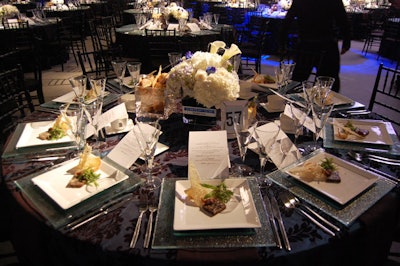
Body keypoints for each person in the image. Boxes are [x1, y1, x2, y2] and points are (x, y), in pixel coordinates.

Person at [279, 0, 351, 92]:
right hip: (327, 44)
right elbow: (343, 20)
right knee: (328, 82)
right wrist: (346, 41)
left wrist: (282, 42)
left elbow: (288, 20)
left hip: (306, 43)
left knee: (297, 81)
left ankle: (292, 103)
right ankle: (328, 103)